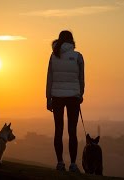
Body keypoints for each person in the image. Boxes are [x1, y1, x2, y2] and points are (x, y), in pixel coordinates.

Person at [46, 30, 85, 172]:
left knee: (58, 130)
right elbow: (81, 78)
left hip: (56, 96)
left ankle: (60, 162)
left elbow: (49, 78)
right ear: (72, 40)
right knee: (72, 131)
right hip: (73, 97)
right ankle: (73, 164)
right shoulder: (78, 56)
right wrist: (80, 94)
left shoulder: (54, 56)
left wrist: (48, 98)